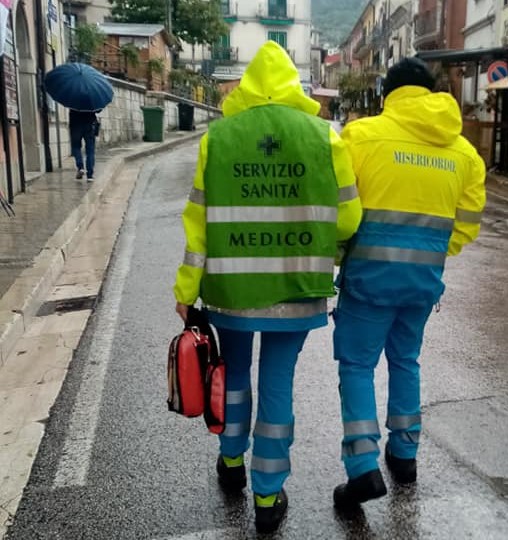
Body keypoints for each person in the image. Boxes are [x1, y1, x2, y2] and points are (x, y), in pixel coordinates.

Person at [173, 41, 361, 534]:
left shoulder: (218, 138)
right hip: (297, 289)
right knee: (278, 385)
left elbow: (198, 223)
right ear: (294, 87)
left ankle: (230, 462)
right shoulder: (326, 137)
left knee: (234, 374)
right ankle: (268, 493)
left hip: (230, 291)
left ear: (247, 87)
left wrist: (186, 288)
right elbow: (348, 219)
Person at [331, 57, 486, 509]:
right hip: (422, 282)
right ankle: (405, 454)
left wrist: (342, 256)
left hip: (367, 281)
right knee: (406, 360)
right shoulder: (465, 154)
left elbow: (339, 211)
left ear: (389, 94)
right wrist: (432, 257)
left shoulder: (360, 137)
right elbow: (469, 224)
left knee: (358, 367)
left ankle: (362, 468)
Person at [69, 109, 99, 181]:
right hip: (89, 124)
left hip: (75, 124)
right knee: (90, 150)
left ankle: (80, 167)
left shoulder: (73, 98)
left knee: (76, 147)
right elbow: (99, 110)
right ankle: (90, 175)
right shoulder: (91, 98)